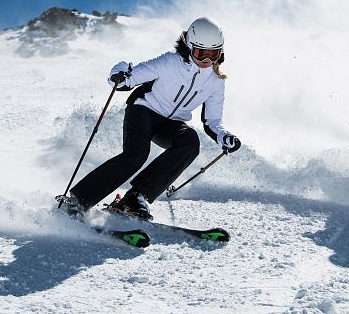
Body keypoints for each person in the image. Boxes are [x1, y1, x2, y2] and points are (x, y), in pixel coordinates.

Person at [63, 17, 241, 219]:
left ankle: (136, 197)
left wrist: (224, 137)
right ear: (190, 47)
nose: (207, 61)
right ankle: (79, 199)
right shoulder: (170, 62)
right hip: (144, 111)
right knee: (136, 155)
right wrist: (120, 76)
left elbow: (212, 121)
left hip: (171, 124)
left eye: (213, 54)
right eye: (201, 53)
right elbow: (133, 77)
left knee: (190, 142)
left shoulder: (216, 82)